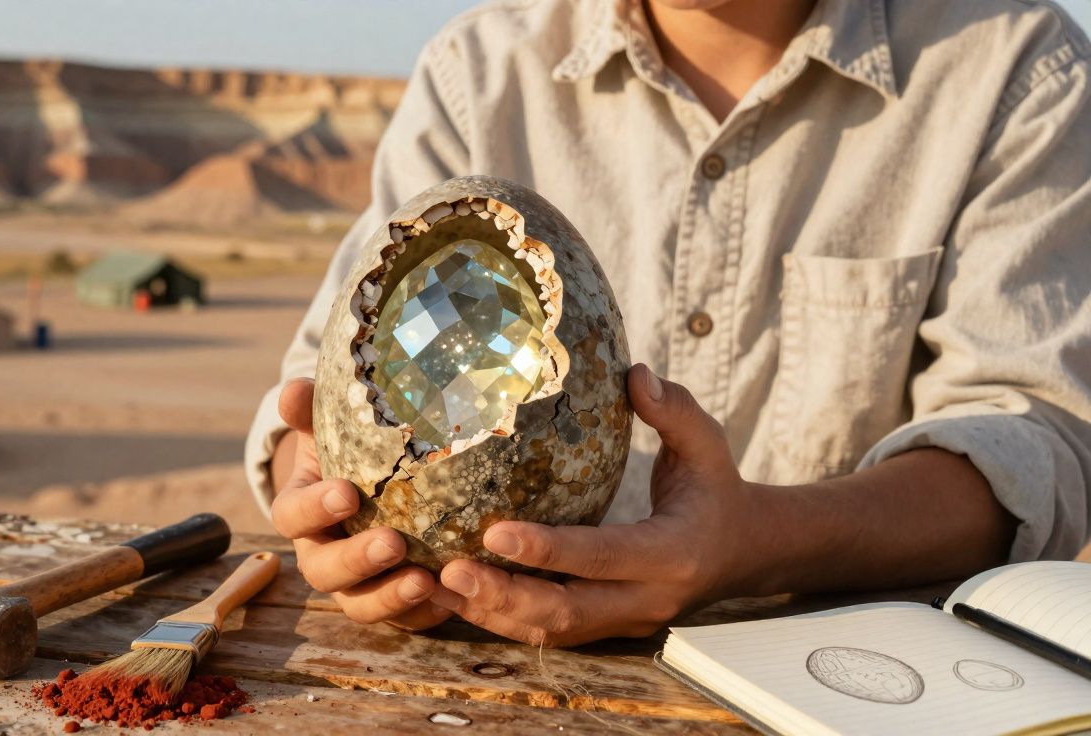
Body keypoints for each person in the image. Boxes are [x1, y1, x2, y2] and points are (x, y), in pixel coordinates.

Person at [244, 0, 1091, 646]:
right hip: (483, 674)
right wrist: (328, 501)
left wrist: (756, 542)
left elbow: (1036, 447)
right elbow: (324, 387)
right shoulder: (478, 70)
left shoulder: (1014, 66)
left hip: (842, 685)